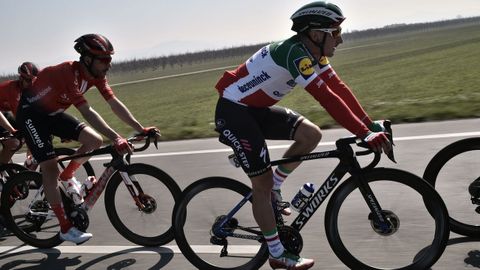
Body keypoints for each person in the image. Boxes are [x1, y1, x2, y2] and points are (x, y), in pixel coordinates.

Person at [214, 2, 392, 269]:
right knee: (259, 185)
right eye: (336, 32)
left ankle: (276, 185)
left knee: (310, 135)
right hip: (235, 112)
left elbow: (339, 89)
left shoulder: (313, 54)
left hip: (255, 109)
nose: (340, 39)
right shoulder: (295, 54)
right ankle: (276, 253)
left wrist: (369, 127)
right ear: (316, 35)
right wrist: (363, 133)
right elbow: (327, 99)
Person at [16, 34, 160, 245]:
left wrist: (141, 128)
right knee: (49, 167)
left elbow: (114, 103)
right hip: (31, 115)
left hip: (52, 114)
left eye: (110, 59)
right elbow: (87, 111)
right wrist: (117, 137)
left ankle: (66, 178)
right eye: (104, 60)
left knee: (94, 140)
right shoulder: (67, 73)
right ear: (87, 59)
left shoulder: (96, 76)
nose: (108, 65)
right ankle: (65, 228)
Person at [0, 62, 39, 165]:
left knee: (32, 132)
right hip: (2, 113)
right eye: (28, 80)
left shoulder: (27, 89)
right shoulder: (13, 90)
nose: (31, 84)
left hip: (3, 112)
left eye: (33, 81)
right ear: (21, 78)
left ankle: (29, 162)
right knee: (14, 142)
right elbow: (20, 116)